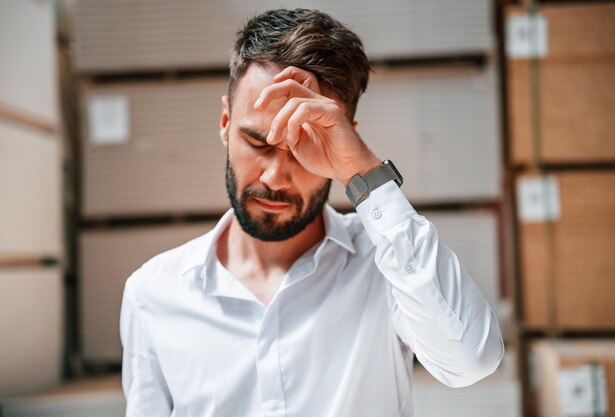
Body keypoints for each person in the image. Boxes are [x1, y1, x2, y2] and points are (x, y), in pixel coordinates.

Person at [120, 8, 504, 417]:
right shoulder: (152, 294)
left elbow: (472, 360)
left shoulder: (385, 267)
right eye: (257, 142)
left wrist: (364, 172)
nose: (276, 177)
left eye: (303, 149)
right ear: (225, 121)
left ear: (345, 140)